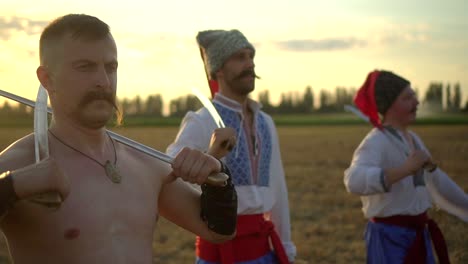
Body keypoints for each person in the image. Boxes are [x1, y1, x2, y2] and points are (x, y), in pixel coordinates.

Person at [0, 14, 238, 264]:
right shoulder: (20, 165)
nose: (103, 81)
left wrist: (218, 175)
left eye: (110, 67)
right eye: (85, 67)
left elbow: (219, 231)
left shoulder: (145, 164)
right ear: (47, 79)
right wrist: (14, 186)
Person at [167, 29, 296, 264]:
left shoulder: (266, 122)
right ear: (218, 69)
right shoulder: (201, 120)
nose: (249, 64)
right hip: (219, 253)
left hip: (265, 252)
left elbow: (278, 189)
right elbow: (168, 176)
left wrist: (285, 247)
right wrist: (213, 154)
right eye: (239, 58)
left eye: (251, 57)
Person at [344, 70, 468, 264]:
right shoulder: (376, 141)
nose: (417, 102)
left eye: (414, 96)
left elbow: (437, 181)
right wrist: (405, 169)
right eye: (407, 97)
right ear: (390, 104)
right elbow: (353, 180)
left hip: (418, 235)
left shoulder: (414, 139)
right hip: (390, 240)